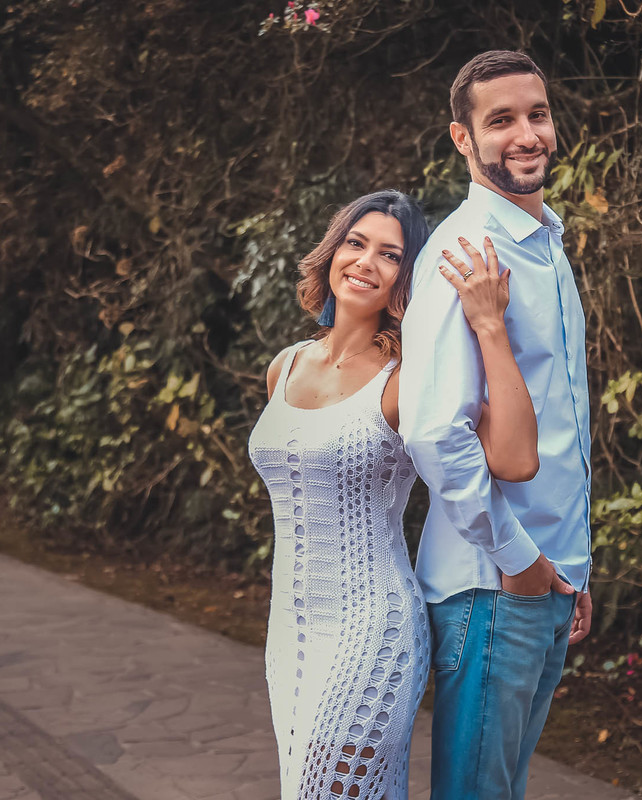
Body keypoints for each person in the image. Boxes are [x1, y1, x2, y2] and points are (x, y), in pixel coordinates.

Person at [248, 189, 540, 799]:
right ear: (332, 252)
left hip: (370, 628)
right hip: (292, 631)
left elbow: (514, 457)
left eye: (389, 255)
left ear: (405, 281)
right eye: (355, 243)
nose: (364, 262)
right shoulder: (286, 365)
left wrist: (489, 326)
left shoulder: (407, 381)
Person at [398, 50, 595, 799]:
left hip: (546, 575)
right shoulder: (464, 254)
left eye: (536, 114)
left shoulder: (546, 240)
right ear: (462, 138)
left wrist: (569, 565)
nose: (526, 134)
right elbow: (432, 432)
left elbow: (562, 421)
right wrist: (519, 559)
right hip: (493, 584)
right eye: (501, 119)